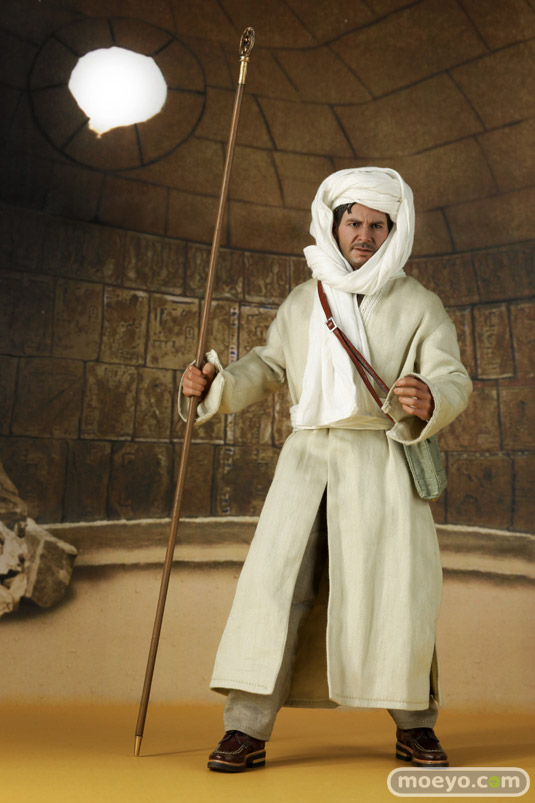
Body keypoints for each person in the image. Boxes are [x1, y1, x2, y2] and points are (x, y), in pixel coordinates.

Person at [181, 167, 472, 773]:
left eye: (377, 225)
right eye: (353, 222)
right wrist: (214, 384)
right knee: (276, 589)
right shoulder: (302, 301)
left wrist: (430, 396)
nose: (364, 235)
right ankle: (245, 726)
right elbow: (267, 365)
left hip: (382, 461)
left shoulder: (419, 303)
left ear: (393, 230)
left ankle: (416, 726)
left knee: (399, 595)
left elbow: (451, 376)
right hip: (308, 462)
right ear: (333, 225)